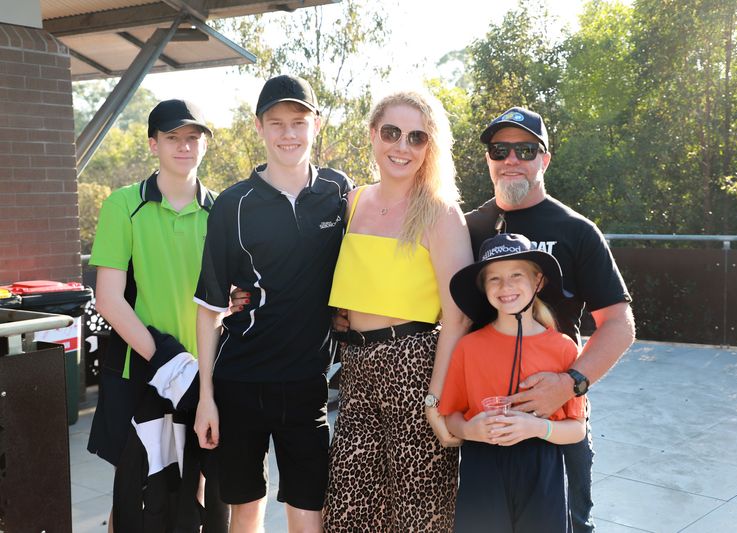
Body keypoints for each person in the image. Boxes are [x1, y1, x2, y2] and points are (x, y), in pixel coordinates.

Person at [192, 74, 352, 533]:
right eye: (277, 123)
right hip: (241, 381)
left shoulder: (339, 193)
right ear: (259, 127)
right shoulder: (232, 205)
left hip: (307, 383)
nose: (288, 133)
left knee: (309, 508)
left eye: (298, 122)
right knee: (247, 509)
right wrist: (206, 399)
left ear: (316, 125)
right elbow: (209, 309)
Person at [465, 107, 635, 532]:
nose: (511, 159)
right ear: (488, 158)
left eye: (525, 150)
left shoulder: (577, 231)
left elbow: (619, 323)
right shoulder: (467, 228)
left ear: (545, 158)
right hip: (484, 425)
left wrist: (569, 384)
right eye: (500, 150)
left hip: (555, 421)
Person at [323, 90, 473, 531]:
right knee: (348, 508)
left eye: (416, 137)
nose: (402, 146)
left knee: (418, 514)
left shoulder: (440, 213)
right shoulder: (352, 202)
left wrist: (436, 398)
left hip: (415, 367)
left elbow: (458, 317)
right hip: (355, 367)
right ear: (373, 134)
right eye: (392, 132)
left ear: (430, 147)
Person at [87, 99, 227, 531]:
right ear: (153, 144)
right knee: (132, 492)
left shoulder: (223, 211)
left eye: (193, 137)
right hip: (142, 369)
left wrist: (194, 373)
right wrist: (168, 362)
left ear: (204, 144)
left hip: (203, 377)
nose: (184, 146)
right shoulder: (122, 205)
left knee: (193, 488)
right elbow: (109, 299)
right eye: (172, 137)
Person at [440, 232, 586, 533]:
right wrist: (469, 430)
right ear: (484, 288)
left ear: (538, 282)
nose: (505, 286)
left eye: (516, 275)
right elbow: (452, 416)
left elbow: (577, 430)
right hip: (482, 464)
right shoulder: (469, 347)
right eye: (494, 278)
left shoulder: (563, 348)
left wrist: (537, 427)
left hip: (542, 466)